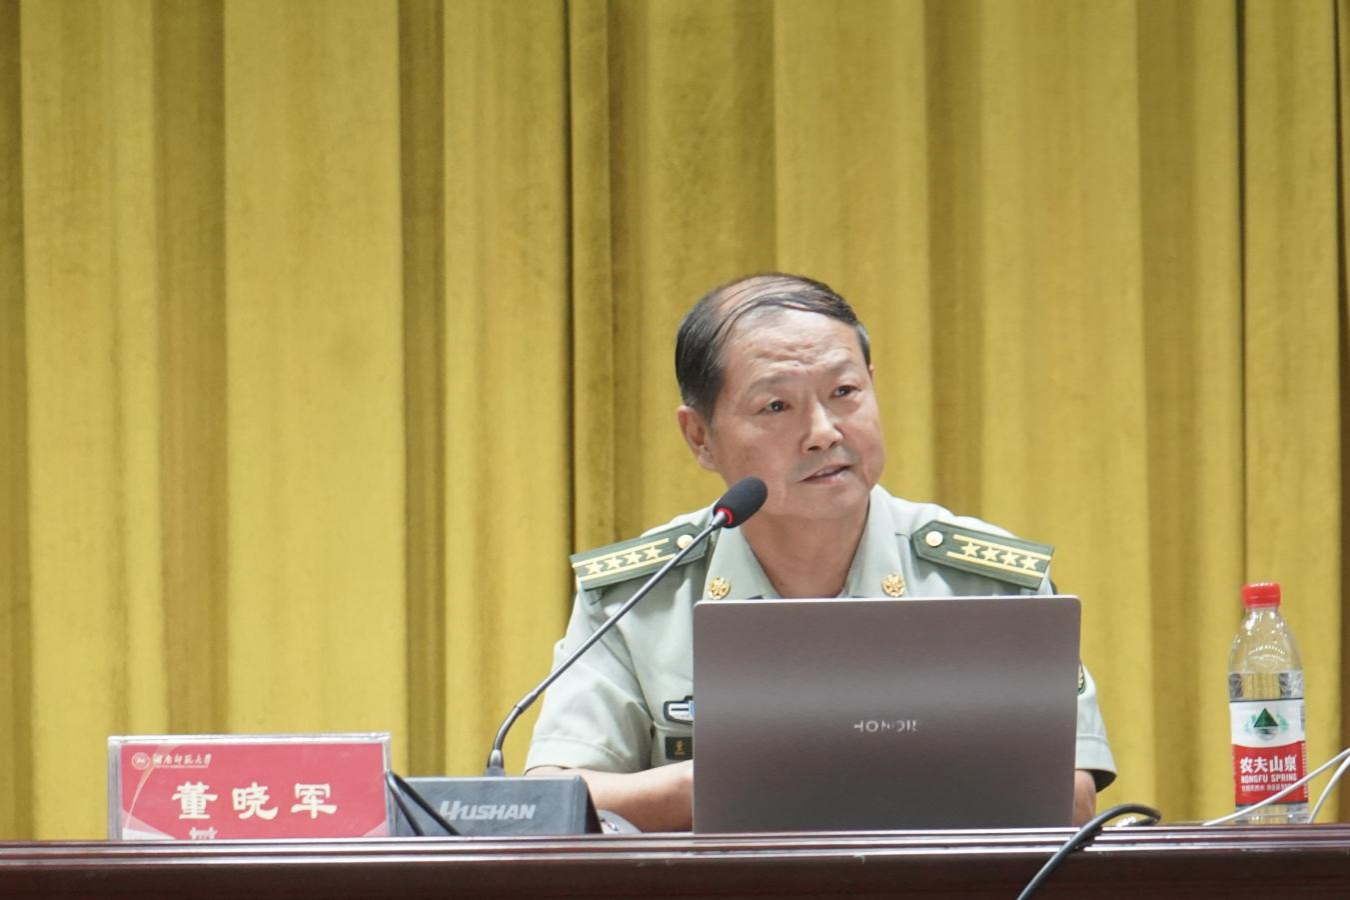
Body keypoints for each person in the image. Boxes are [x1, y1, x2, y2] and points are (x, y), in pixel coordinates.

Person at [525, 273, 1116, 831]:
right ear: (700, 437)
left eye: (845, 392)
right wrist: (725, 784)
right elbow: (556, 798)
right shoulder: (639, 597)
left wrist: (797, 782)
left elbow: (1070, 797)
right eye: (776, 406)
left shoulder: (988, 585)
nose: (824, 432)